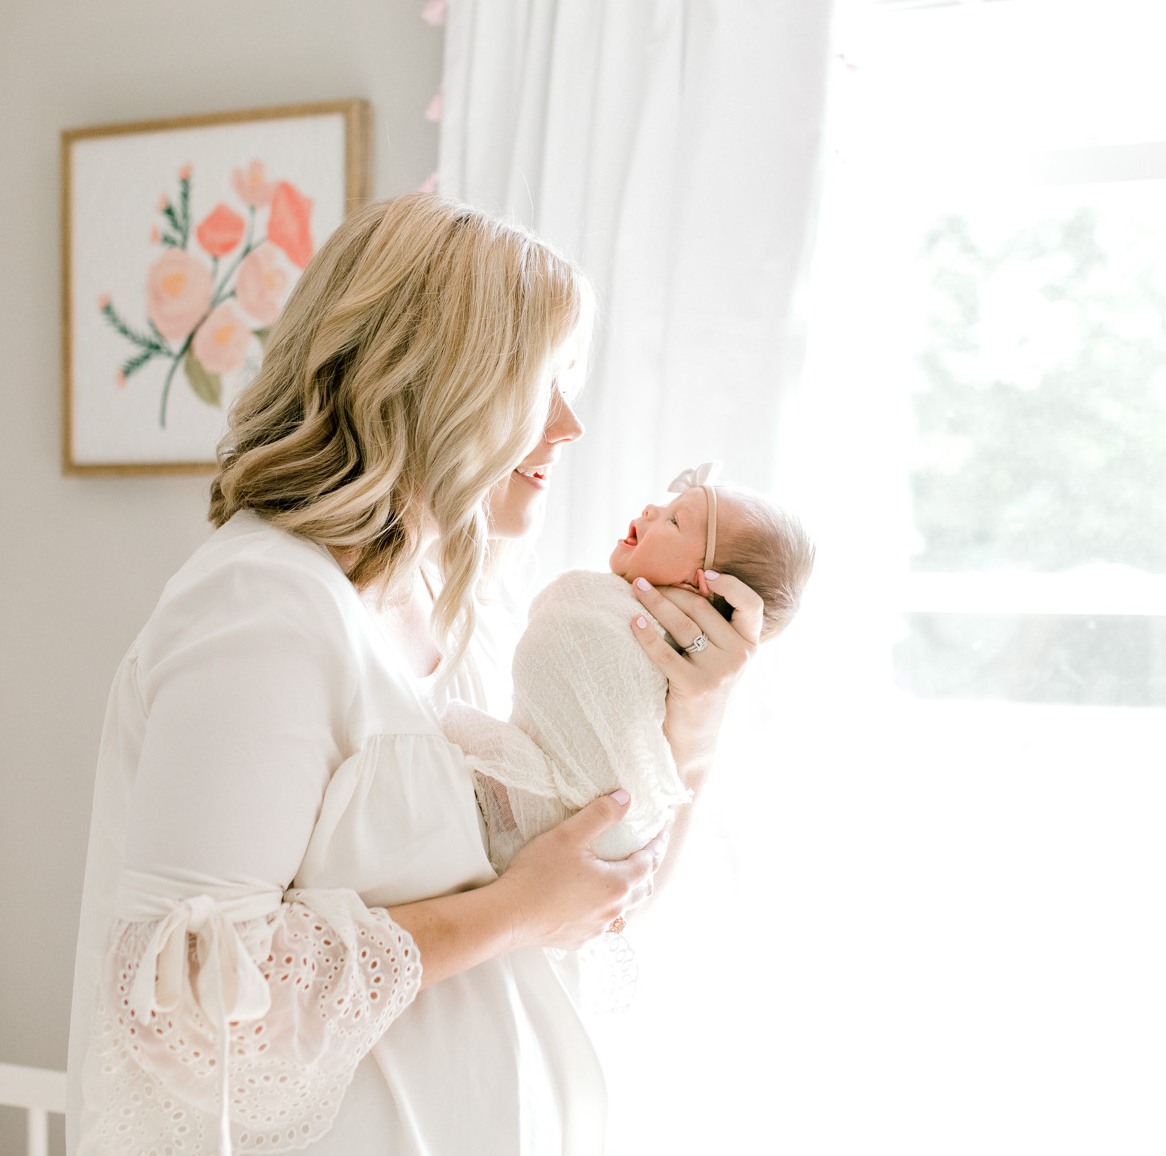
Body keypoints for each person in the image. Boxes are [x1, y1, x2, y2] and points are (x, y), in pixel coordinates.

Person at [65, 195, 763, 1156]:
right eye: (540, 379)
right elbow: (184, 1012)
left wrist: (697, 717)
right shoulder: (263, 607)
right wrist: (511, 910)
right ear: (435, 382)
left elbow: (602, 894)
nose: (569, 422)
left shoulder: (453, 611)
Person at [444, 464, 813, 872]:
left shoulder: (643, 640)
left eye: (674, 520)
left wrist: (697, 746)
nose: (652, 508)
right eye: (667, 505)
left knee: (449, 725)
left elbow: (557, 611)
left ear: (700, 585)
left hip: (569, 821)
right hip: (607, 839)